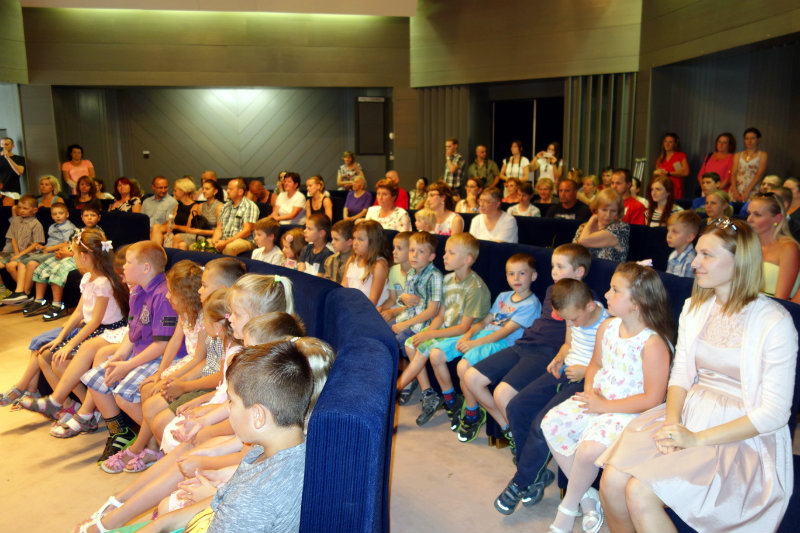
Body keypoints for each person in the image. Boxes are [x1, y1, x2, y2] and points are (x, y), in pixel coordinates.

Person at [598, 219, 796, 533]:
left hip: (740, 432)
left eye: (707, 255)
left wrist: (696, 439)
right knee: (611, 482)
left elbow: (774, 414)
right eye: (697, 253)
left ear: (740, 261)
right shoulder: (695, 308)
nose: (694, 263)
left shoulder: (774, 321)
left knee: (639, 492)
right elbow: (681, 375)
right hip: (690, 412)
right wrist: (672, 425)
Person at [541, 262, 673, 533]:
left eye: (615, 290)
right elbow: (596, 365)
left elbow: (652, 398)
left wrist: (604, 406)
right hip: (601, 398)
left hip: (631, 410)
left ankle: (568, 508)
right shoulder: (607, 327)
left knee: (589, 450)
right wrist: (590, 390)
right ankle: (587, 498)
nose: (606, 294)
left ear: (637, 302)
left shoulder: (653, 343)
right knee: (551, 422)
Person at [149, 341, 312, 533]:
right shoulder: (285, 446)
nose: (228, 409)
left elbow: (240, 505)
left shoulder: (253, 497)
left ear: (258, 416)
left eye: (231, 401)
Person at [460, 244, 589, 460]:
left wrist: (559, 357)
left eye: (560, 267)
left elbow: (571, 340)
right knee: (471, 377)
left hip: (545, 351)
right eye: (553, 267)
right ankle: (509, 430)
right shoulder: (551, 290)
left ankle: (524, 448)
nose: (554, 272)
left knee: (502, 393)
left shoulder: (584, 299)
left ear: (579, 272)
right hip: (524, 343)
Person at [494, 278, 608, 516]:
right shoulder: (574, 314)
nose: (571, 323)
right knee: (516, 407)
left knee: (542, 423)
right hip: (566, 371)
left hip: (586, 380)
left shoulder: (607, 324)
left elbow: (611, 366)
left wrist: (585, 371)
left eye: (573, 319)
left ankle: (521, 481)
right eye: (566, 319)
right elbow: (568, 343)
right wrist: (558, 358)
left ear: (590, 306)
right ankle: (534, 474)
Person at [78, 240, 183, 464]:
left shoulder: (163, 295)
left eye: (128, 262)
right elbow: (132, 330)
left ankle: (157, 440)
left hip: (160, 357)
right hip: (139, 354)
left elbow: (162, 345)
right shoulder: (136, 291)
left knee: (124, 396)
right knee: (96, 379)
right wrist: (119, 356)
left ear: (146, 268)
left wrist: (127, 366)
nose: (123, 267)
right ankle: (120, 433)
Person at [98, 261, 201, 472]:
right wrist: (160, 373)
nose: (168, 296)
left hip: (193, 367)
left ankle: (140, 448)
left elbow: (199, 358)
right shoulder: (184, 314)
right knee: (146, 386)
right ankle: (152, 447)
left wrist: (171, 378)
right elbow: (174, 341)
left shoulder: (202, 318)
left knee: (152, 393)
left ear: (186, 296)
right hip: (184, 364)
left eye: (172, 293)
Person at [18, 228, 129, 421]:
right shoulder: (87, 278)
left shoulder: (103, 282)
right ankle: (78, 406)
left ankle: (86, 411)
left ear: (85, 256)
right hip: (92, 328)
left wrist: (70, 344)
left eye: (74, 253)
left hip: (107, 330)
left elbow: (95, 321)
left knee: (60, 362)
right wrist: (61, 338)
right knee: (46, 355)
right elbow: (79, 313)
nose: (73, 257)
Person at [434, 253, 541, 433]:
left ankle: (472, 413)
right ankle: (458, 404)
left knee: (463, 367)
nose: (516, 278)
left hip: (503, 344)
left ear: (533, 276)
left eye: (522, 273)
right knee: (438, 353)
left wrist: (474, 344)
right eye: (511, 274)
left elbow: (503, 333)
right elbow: (485, 321)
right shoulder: (503, 296)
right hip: (484, 335)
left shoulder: (531, 304)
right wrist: (468, 335)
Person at [397, 232, 491, 427]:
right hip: (448, 330)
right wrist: (426, 333)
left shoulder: (475, 287)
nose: (444, 256)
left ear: (467, 259)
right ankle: (449, 401)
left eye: (451, 253)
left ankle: (395, 390)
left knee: (434, 354)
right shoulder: (447, 280)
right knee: (412, 343)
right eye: (445, 252)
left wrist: (431, 334)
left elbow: (464, 327)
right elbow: (440, 316)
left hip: (468, 334)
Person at [391, 231, 444, 402]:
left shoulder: (434, 277)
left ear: (431, 257)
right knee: (380, 331)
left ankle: (413, 382)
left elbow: (432, 311)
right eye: (412, 250)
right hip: (408, 317)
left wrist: (405, 325)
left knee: (397, 341)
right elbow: (406, 302)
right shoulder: (412, 273)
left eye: (421, 252)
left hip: (423, 324)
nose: (414, 255)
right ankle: (405, 377)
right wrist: (403, 298)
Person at [25, 206, 103, 319]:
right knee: (43, 267)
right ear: (82, 217)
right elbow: (69, 245)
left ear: (99, 218)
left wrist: (69, 253)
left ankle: (57, 305)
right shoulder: (78, 231)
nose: (89, 218)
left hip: (82, 259)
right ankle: (39, 300)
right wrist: (60, 252)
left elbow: (91, 251)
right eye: (86, 215)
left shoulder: (98, 233)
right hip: (70, 254)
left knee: (58, 270)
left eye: (93, 215)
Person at [11, 203, 76, 313]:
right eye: (55, 214)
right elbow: (50, 244)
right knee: (22, 263)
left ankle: (26, 294)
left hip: (56, 252)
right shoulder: (52, 227)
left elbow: (66, 244)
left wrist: (50, 249)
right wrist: (43, 247)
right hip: (48, 250)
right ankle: (26, 294)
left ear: (67, 214)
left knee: (31, 263)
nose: (58, 216)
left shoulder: (70, 228)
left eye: (60, 213)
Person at [746, 192, 800, 300]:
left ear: (777, 219)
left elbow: (781, 299)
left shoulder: (788, 248)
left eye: (757, 215)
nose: (749, 219)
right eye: (749, 213)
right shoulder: (747, 244)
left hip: (775, 307)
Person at [0, 195, 45, 304]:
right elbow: (13, 238)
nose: (22, 211)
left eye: (25, 208)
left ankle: (24, 292)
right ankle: (3, 290)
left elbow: (36, 244)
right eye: (20, 208)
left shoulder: (37, 224)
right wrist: (16, 253)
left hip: (30, 254)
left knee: (10, 266)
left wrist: (19, 255)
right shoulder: (16, 221)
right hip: (16, 253)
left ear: (34, 210)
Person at [574, 188, 630, 262]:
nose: (608, 215)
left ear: (618, 212)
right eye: (604, 210)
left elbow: (583, 241)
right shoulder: (583, 227)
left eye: (613, 211)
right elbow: (574, 252)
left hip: (611, 269)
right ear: (596, 209)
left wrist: (591, 219)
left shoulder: (621, 228)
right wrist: (591, 222)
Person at [342, 220, 390, 307]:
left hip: (368, 310)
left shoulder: (379, 265)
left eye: (360, 239)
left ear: (373, 242)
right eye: (354, 238)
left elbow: (372, 302)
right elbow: (343, 289)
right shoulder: (351, 260)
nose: (355, 243)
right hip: (352, 307)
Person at [210, 178, 259, 256]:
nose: (227, 191)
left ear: (240, 192)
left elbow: (246, 231)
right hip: (225, 239)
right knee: (199, 246)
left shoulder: (250, 206)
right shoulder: (225, 206)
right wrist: (214, 241)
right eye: (227, 189)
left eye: (230, 189)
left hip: (244, 240)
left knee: (229, 248)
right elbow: (219, 228)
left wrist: (225, 242)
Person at [176, 178, 225, 249]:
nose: (204, 191)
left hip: (213, 237)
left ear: (215, 191)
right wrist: (194, 230)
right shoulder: (200, 206)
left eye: (207, 189)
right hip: (200, 235)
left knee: (177, 237)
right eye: (203, 189)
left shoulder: (219, 206)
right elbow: (197, 225)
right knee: (181, 244)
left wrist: (199, 231)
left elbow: (219, 230)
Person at [151, 177, 198, 247]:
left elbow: (189, 228)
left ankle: (156, 251)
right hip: (173, 232)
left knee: (158, 230)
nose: (173, 193)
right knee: (156, 227)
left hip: (183, 235)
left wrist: (175, 226)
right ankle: (154, 250)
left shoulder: (195, 207)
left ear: (183, 191)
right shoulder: (178, 206)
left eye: (175, 191)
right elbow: (171, 222)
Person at [380, 231, 412, 326]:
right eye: (394, 248)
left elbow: (417, 306)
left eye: (399, 248)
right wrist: (380, 308)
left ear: (411, 251)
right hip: (397, 311)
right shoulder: (393, 270)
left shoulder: (417, 274)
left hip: (411, 315)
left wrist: (393, 312)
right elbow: (392, 299)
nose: (394, 252)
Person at [730, 127, 768, 202]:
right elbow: (733, 173)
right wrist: (734, 191)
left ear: (758, 139)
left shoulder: (763, 155)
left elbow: (759, 174)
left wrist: (747, 191)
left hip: (753, 188)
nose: (749, 141)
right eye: (747, 138)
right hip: (737, 189)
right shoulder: (738, 155)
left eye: (752, 138)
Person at [665, 210, 702, 278]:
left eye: (675, 232)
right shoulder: (673, 254)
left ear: (689, 237)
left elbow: (685, 283)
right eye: (668, 231)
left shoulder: (690, 261)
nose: (669, 235)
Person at [653, 132, 689, 199]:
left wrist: (668, 173)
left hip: (675, 191)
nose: (667, 144)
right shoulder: (660, 159)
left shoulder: (680, 156)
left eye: (670, 142)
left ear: (675, 144)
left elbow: (686, 172)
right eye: (665, 141)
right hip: (662, 190)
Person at [324, 219, 354, 284]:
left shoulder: (355, 263)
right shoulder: (330, 260)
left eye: (336, 239)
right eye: (332, 239)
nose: (332, 242)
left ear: (349, 242)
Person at [0, 136, 25, 205]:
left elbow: (19, 172)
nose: (4, 147)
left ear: (12, 146)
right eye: (2, 144)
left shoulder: (19, 158)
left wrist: (8, 158)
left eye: (6, 144)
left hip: (13, 191)